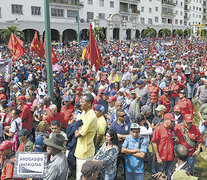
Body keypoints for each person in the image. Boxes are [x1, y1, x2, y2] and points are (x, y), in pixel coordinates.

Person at [74, 94, 97, 180]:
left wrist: (77, 129)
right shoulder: (84, 112)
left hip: (85, 151)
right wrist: (77, 128)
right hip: (80, 150)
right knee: (78, 174)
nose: (80, 103)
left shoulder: (91, 117)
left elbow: (77, 134)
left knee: (83, 176)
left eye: (82, 102)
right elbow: (77, 125)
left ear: (89, 103)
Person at [152, 113, 176, 179]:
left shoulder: (173, 130)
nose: (173, 123)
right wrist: (157, 156)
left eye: (173, 121)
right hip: (161, 157)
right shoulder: (158, 129)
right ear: (166, 120)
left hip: (171, 157)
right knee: (159, 176)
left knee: (170, 175)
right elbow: (154, 143)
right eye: (171, 121)